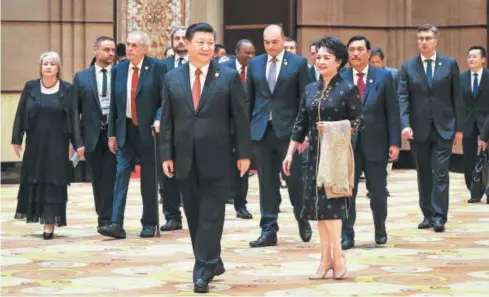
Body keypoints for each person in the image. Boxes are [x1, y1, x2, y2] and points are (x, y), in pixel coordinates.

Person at [161, 22, 251, 293]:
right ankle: (213, 259)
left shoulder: (227, 76)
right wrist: (167, 154)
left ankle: (203, 269)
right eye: (200, 42)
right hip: (184, 157)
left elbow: (240, 117)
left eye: (210, 43)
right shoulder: (172, 78)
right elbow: (167, 121)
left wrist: (244, 153)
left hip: (218, 157)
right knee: (193, 213)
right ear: (186, 44)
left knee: (212, 214)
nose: (205, 47)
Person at [283, 36, 362, 280]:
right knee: (318, 209)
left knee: (333, 207)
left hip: (336, 156)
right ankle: (324, 259)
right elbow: (300, 123)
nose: (321, 61)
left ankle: (337, 257)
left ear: (339, 62)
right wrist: (290, 152)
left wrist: (331, 126)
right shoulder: (310, 89)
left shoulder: (347, 88)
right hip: (313, 156)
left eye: (327, 58)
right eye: (318, 57)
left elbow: (359, 122)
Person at [247, 24, 311, 248]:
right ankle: (268, 229)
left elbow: (306, 100)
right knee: (266, 183)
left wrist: (305, 135)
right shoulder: (254, 64)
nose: (271, 46)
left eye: (275, 42)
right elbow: (250, 99)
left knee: (295, 182)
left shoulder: (298, 63)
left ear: (283, 40)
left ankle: (302, 217)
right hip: (262, 131)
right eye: (266, 42)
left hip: (289, 133)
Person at [99, 30, 166, 239]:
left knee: (148, 179)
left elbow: (165, 99)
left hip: (148, 131)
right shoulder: (119, 69)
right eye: (128, 44)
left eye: (135, 45)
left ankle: (149, 223)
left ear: (145, 48)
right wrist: (111, 135)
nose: (130, 48)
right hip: (125, 130)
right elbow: (115, 106)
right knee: (120, 175)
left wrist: (159, 118)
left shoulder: (157, 67)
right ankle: (115, 223)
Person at [399, 24, 465, 233]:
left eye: (428, 38)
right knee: (424, 173)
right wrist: (405, 124)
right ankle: (427, 214)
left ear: (436, 40)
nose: (424, 42)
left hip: (445, 127)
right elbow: (403, 98)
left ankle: (439, 216)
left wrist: (459, 128)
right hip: (418, 129)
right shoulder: (408, 67)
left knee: (441, 172)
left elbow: (458, 98)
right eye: (420, 38)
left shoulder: (450, 64)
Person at [12, 51, 83, 239]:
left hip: (58, 144)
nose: (49, 66)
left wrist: (78, 143)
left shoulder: (67, 89)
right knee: (35, 178)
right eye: (45, 63)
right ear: (40, 67)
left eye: (53, 63)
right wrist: (16, 138)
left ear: (58, 68)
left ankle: (50, 222)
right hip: (35, 143)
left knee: (53, 181)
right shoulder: (31, 87)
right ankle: (39, 216)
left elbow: (74, 117)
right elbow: (21, 113)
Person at [340, 36, 400, 250]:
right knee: (347, 191)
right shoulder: (341, 77)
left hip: (376, 144)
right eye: (351, 50)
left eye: (359, 49)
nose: (355, 53)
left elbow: (392, 112)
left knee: (378, 191)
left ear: (368, 52)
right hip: (348, 146)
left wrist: (395, 142)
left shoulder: (383, 77)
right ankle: (347, 234)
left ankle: (380, 228)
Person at [73, 36, 117, 233]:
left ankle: (112, 219)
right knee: (98, 179)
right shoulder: (81, 77)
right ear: (95, 50)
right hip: (92, 136)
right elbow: (75, 112)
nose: (110, 53)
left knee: (113, 178)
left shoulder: (120, 73)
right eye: (106, 49)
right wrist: (77, 141)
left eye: (113, 50)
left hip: (115, 135)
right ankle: (103, 217)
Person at [155, 26, 188, 232]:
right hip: (166, 127)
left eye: (184, 37)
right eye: (177, 38)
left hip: (190, 126)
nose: (181, 41)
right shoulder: (161, 66)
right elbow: (156, 97)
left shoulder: (199, 64)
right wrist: (158, 118)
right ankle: (172, 216)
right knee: (166, 173)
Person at [220, 38, 256, 219]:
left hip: (245, 125)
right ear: (237, 52)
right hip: (224, 125)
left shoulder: (255, 70)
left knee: (243, 165)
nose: (250, 56)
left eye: (252, 53)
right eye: (246, 53)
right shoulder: (224, 70)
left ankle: (241, 204)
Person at [460, 46, 488, 203]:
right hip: (467, 124)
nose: (471, 59)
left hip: (487, 122)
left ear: (483, 59)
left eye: (475, 56)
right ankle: (474, 191)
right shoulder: (461, 78)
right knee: (469, 159)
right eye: (469, 56)